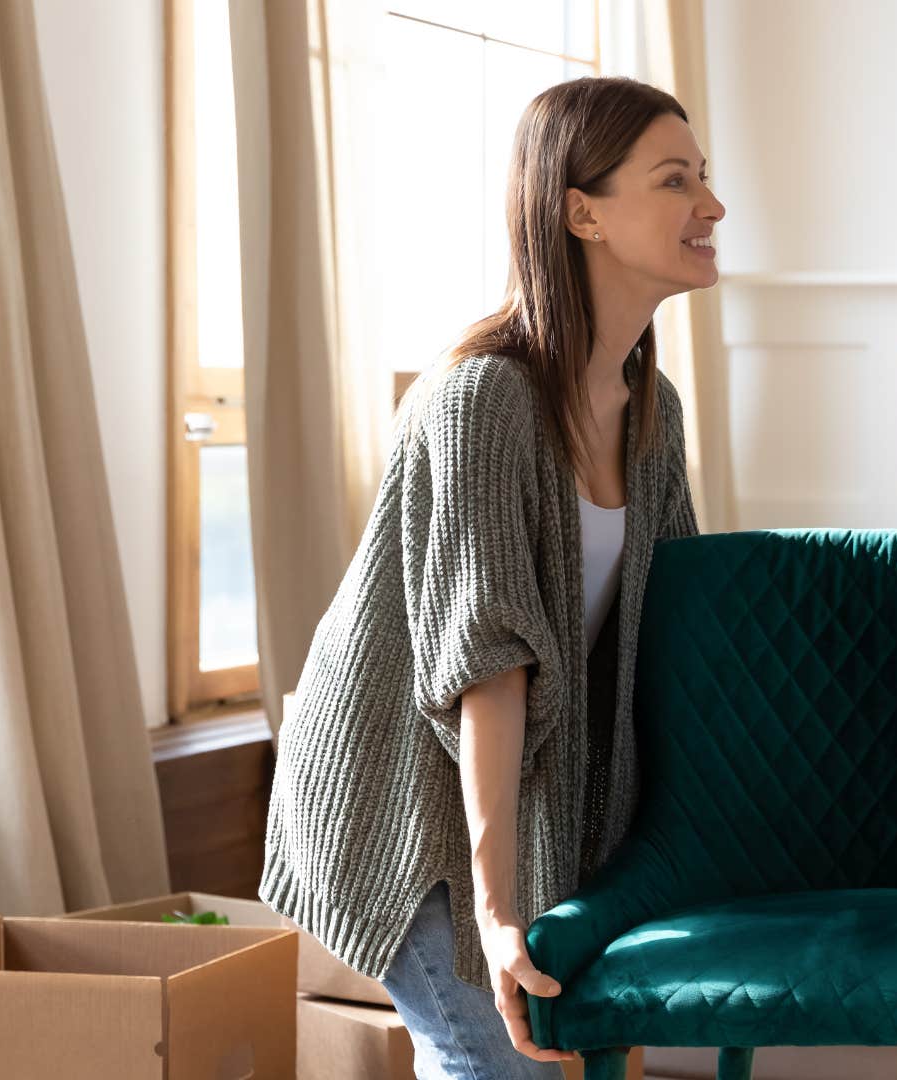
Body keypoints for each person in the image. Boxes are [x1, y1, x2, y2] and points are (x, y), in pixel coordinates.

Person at [260, 76, 721, 1078]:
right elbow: (490, 670)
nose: (712, 205)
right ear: (580, 210)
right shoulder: (483, 404)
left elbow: (683, 630)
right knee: (490, 1064)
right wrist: (500, 910)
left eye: (705, 178)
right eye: (675, 179)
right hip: (399, 811)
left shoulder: (653, 411)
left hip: (513, 802)